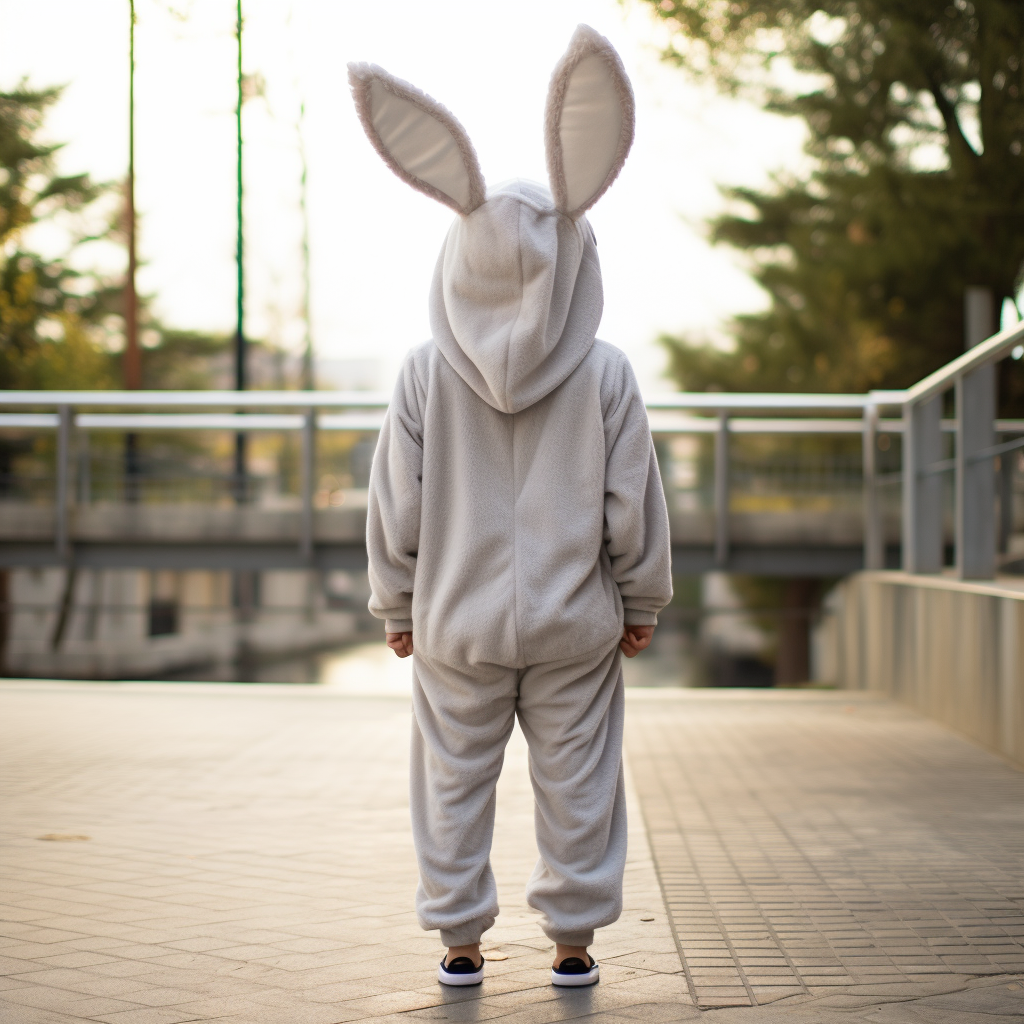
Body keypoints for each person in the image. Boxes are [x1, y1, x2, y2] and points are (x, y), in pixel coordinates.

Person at [349, 24, 672, 990]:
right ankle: (573, 945)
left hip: (455, 623)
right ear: (576, 260)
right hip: (577, 623)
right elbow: (634, 499)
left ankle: (459, 942)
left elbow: (392, 503)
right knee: (579, 778)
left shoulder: (422, 376)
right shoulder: (607, 375)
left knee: (452, 780)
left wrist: (397, 604)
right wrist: (642, 600)